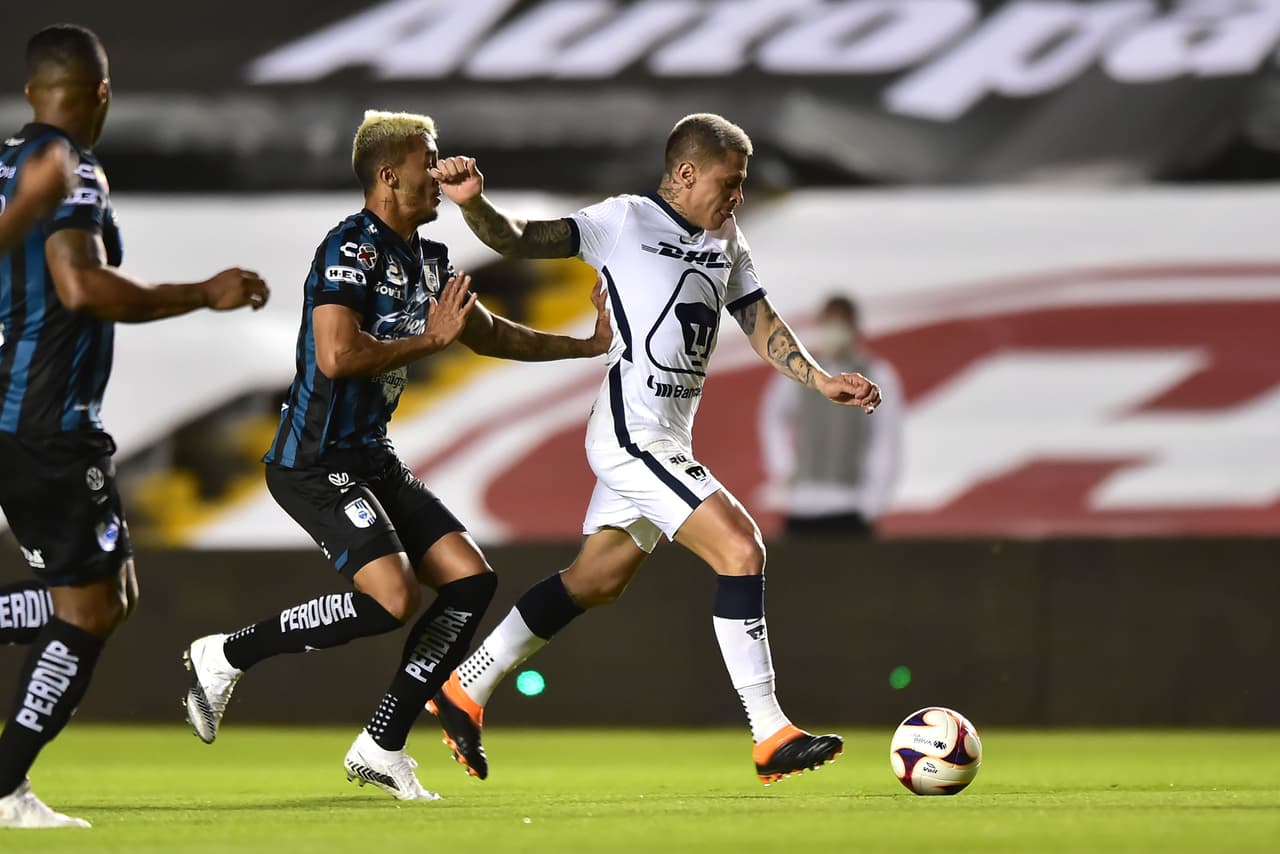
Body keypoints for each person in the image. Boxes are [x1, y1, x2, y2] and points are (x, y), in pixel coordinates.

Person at [424, 113, 881, 785]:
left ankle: (465, 686)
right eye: (731, 182)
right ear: (687, 172)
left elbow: (758, 317)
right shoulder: (624, 220)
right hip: (630, 434)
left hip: (667, 436)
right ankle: (769, 732)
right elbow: (521, 240)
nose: (739, 197)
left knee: (596, 580)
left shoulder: (725, 236)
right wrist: (474, 205)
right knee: (740, 546)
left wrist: (820, 379)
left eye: (745, 185)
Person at [180, 110, 611, 802]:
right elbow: (337, 354)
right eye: (428, 158)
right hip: (313, 459)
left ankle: (381, 744)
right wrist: (431, 342)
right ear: (388, 175)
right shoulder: (349, 248)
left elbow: (491, 335)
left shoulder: (430, 258)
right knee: (393, 598)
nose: (440, 170)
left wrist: (583, 346)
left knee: (471, 581)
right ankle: (226, 654)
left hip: (372, 457)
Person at [0, 25, 269, 829]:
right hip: (49, 421)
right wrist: (203, 291)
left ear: (30, 91)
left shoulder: (7, 164)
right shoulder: (71, 168)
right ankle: (6, 788)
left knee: (107, 595)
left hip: (23, 415)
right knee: (89, 609)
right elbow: (80, 287)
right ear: (102, 96)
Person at [759, 295, 903, 537]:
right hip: (801, 506)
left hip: (850, 506)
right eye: (828, 323)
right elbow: (773, 416)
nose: (833, 332)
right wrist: (783, 468)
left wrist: (873, 500)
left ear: (855, 328)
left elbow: (886, 438)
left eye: (840, 324)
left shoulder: (877, 374)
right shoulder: (801, 371)